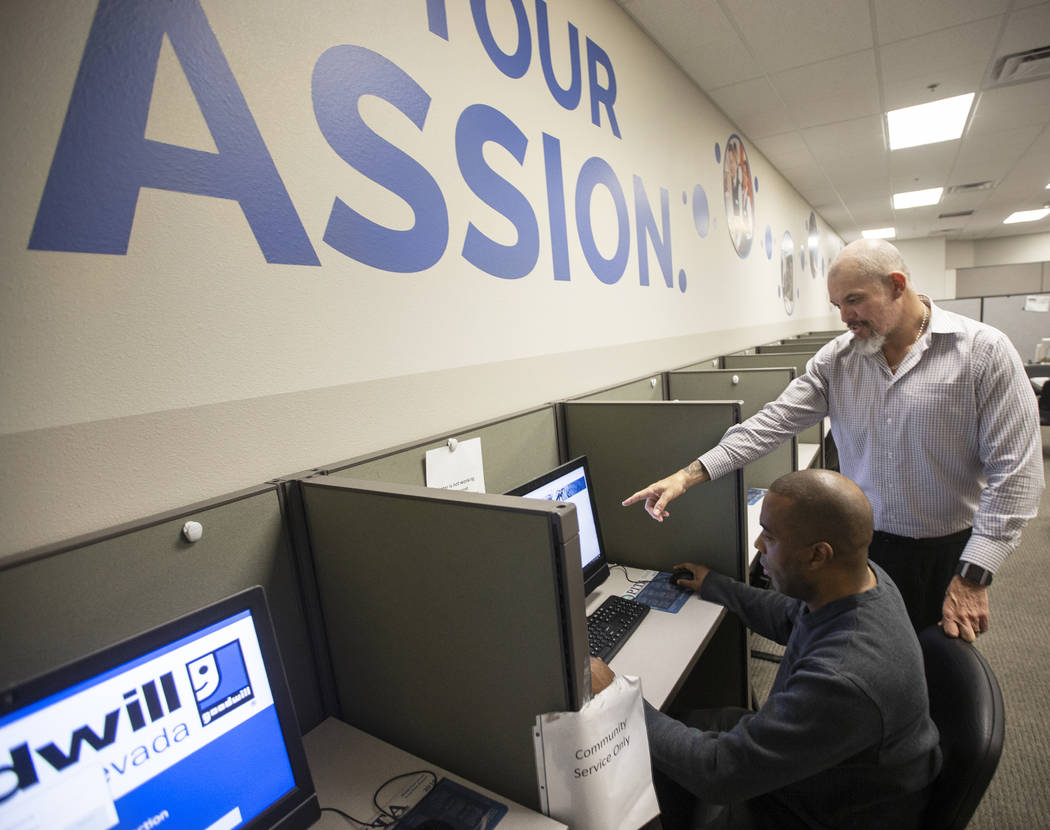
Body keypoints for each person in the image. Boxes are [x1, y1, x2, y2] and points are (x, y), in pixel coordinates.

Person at [623, 238, 1044, 640]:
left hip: (942, 553)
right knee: (857, 661)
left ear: (897, 285)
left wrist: (973, 577)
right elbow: (771, 423)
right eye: (837, 304)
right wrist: (687, 475)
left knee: (935, 674)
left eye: (854, 299)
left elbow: (1016, 475)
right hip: (861, 548)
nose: (844, 316)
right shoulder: (837, 360)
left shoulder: (983, 352)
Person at [592, 469, 942, 829]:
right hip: (829, 761)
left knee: (649, 753)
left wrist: (620, 699)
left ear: (818, 555)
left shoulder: (841, 678)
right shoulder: (864, 581)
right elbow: (793, 616)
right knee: (679, 728)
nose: (758, 545)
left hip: (827, 807)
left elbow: (718, 774)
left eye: (770, 537)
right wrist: (716, 585)